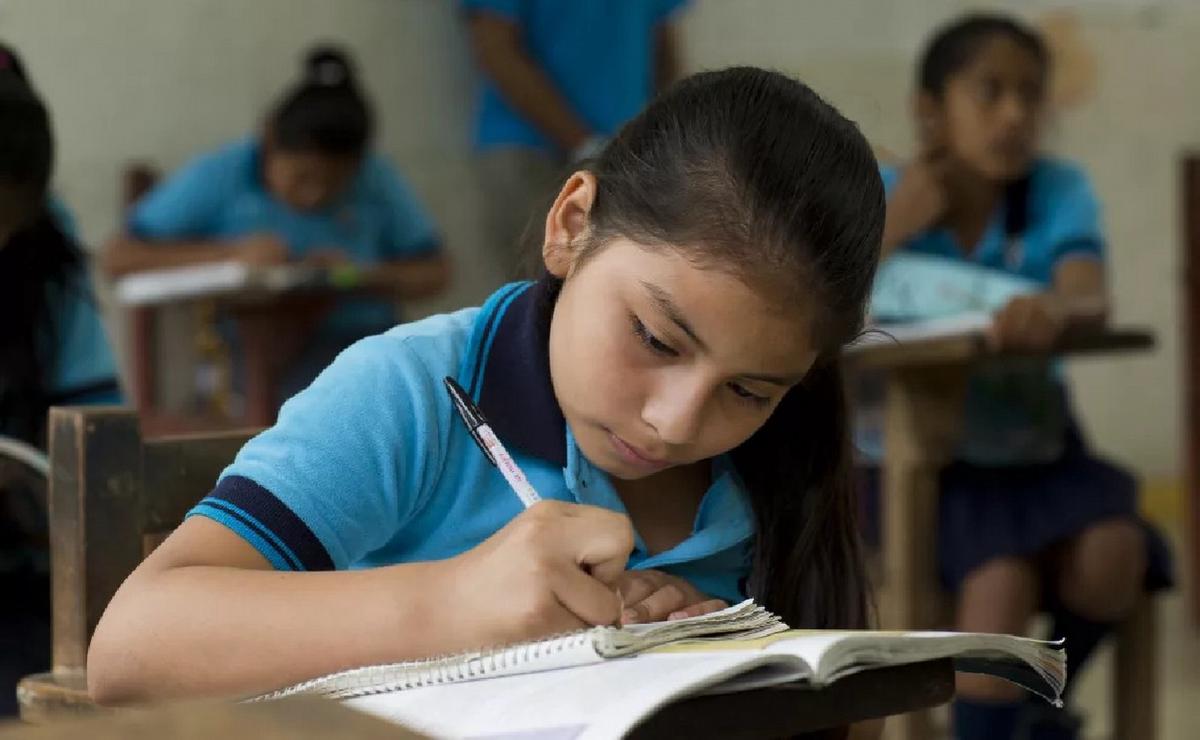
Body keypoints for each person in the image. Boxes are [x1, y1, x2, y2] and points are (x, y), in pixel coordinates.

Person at [86, 67, 883, 712]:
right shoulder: (415, 394)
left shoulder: (779, 458)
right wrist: (453, 605)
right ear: (571, 224)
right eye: (654, 338)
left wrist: (701, 664)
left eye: (747, 391)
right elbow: (132, 647)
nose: (674, 423)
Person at [869, 14, 1173, 740]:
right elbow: (809, 304)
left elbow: (1089, 293)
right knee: (999, 583)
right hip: (911, 466)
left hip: (1037, 452)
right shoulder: (882, 192)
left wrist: (1059, 307)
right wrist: (896, 219)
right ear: (930, 110)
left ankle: (1034, 718)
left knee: (1116, 551)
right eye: (990, 92)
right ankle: (999, 726)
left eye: (1030, 96)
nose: (1014, 114)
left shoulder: (1053, 190)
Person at [103, 45, 450, 407]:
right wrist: (231, 254)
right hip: (250, 359)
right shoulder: (226, 172)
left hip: (361, 346)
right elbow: (118, 258)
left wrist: (360, 276)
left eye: (333, 185)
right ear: (269, 141)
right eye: (301, 178)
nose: (315, 196)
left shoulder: (376, 178)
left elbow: (435, 272)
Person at [0, 49, 120, 717]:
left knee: (67, 686)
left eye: (8, 221)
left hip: (22, 567)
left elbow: (95, 426)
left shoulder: (48, 258)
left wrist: (29, 477)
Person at [463, 0, 687, 274]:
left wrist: (667, 131)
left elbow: (662, 43)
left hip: (626, 154)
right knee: (540, 293)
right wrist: (584, 142)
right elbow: (495, 47)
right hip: (527, 151)